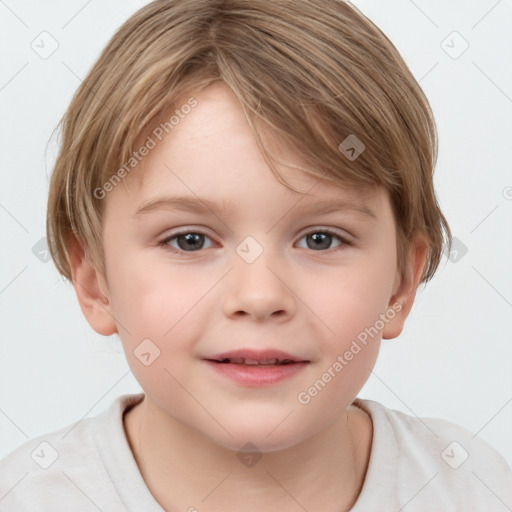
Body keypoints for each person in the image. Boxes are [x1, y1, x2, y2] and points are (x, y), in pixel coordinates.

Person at [1, 0, 511, 510]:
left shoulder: (476, 490)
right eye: (189, 240)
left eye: (321, 239)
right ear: (94, 280)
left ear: (401, 284)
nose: (260, 296)